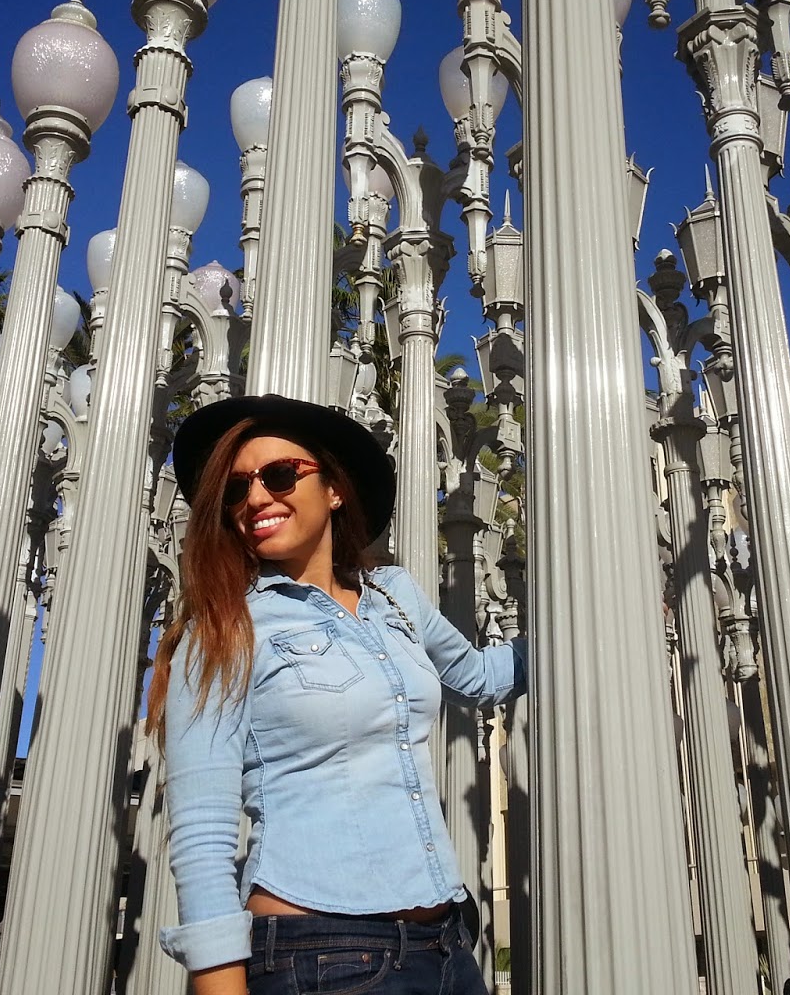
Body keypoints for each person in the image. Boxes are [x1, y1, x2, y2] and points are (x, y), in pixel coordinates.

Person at [150, 394, 527, 995]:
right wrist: (218, 979)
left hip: (447, 946)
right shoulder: (222, 630)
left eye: (279, 475)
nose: (255, 498)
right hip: (319, 955)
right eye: (236, 488)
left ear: (333, 490)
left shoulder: (395, 595)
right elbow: (201, 831)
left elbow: (480, 677)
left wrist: (579, 622)